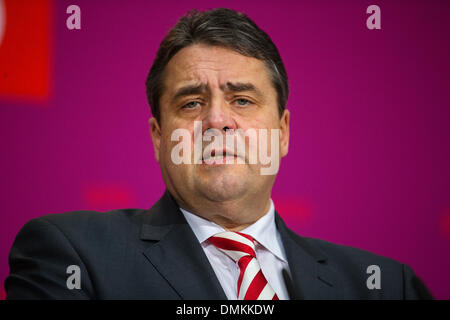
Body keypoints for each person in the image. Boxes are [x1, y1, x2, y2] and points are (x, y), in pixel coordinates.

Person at [5, 8, 432, 300]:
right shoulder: (71, 253)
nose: (217, 121)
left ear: (282, 133)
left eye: (242, 100)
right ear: (158, 137)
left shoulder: (384, 284)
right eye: (191, 103)